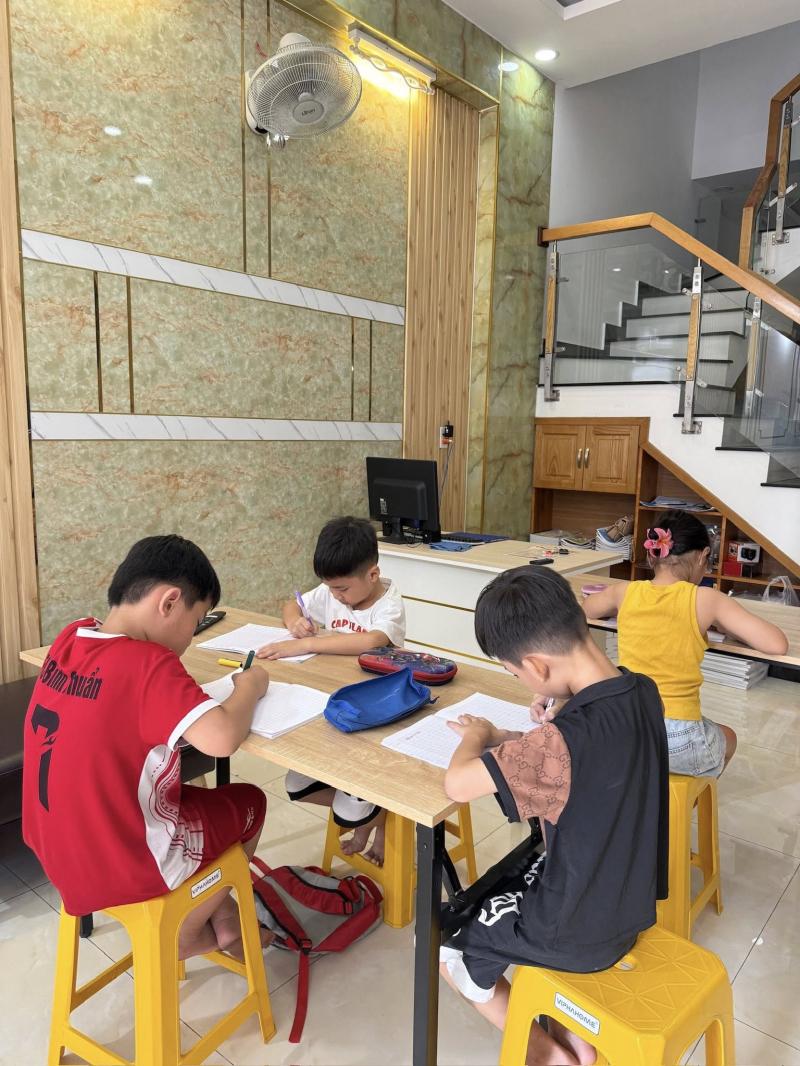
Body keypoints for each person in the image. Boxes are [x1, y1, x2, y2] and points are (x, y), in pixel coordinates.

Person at [440, 566, 668, 1066]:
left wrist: (477, 736)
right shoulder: (643, 690)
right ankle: (578, 1042)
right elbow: (581, 752)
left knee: (448, 946)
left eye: (515, 673)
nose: (522, 682)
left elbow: (457, 783)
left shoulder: (561, 742)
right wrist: (543, 717)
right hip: (628, 906)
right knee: (507, 884)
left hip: (578, 928)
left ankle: (549, 1056)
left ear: (536, 666)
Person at [23, 534, 271, 961]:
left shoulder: (69, 638)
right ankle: (186, 934)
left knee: (187, 795)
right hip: (124, 861)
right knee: (251, 801)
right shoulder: (149, 664)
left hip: (56, 852)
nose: (190, 638)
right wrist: (250, 686)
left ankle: (223, 912)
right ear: (169, 602)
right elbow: (223, 738)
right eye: (195, 622)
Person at [583, 510, 788, 776]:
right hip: (678, 737)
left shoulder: (625, 592)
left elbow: (587, 609)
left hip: (627, 728)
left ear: (652, 554)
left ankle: (651, 790)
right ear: (703, 556)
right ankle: (689, 797)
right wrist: (725, 624)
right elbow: (777, 644)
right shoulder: (706, 599)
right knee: (729, 737)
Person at [260, 515, 406, 866]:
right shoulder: (332, 591)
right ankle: (377, 814)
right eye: (330, 589)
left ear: (372, 575)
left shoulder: (389, 603)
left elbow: (372, 641)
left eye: (341, 590)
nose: (335, 596)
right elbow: (291, 604)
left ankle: (379, 815)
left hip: (376, 711)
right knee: (297, 785)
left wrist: (307, 644)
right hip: (335, 704)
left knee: (351, 805)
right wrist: (295, 621)